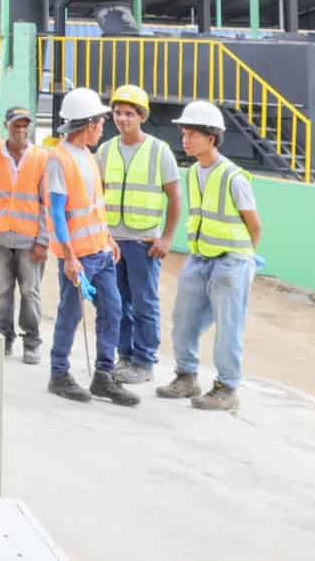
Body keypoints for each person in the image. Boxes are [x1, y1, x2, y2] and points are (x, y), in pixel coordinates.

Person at [156, 100, 262, 412]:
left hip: (231, 261)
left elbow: (254, 226)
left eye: (191, 134)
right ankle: (186, 377)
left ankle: (227, 388)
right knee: (183, 319)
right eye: (184, 134)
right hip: (200, 258)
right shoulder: (192, 174)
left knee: (229, 326)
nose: (184, 140)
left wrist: (244, 261)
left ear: (211, 138)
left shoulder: (234, 178)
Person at [43, 87, 137, 406]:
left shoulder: (88, 157)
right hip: (79, 258)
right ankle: (59, 374)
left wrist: (108, 237)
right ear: (88, 124)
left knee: (113, 309)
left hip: (100, 253)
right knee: (71, 314)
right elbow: (56, 212)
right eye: (100, 122)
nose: (103, 127)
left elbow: (93, 206)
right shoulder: (60, 159)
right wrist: (69, 257)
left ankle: (103, 376)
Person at [99, 84, 181, 385]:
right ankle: (125, 356)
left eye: (129, 114)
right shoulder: (106, 151)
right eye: (118, 113)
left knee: (144, 303)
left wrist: (167, 238)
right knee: (117, 302)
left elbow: (174, 197)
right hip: (112, 242)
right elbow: (98, 196)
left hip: (144, 243)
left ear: (142, 116)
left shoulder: (159, 151)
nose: (122, 119)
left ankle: (144, 360)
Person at [0, 102, 50, 365]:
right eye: (16, 125)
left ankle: (31, 342)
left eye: (25, 126)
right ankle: (3, 337)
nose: (21, 130)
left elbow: (47, 203)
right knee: (2, 290)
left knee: (30, 292)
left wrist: (43, 240)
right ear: (7, 127)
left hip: (30, 239)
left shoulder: (42, 159)